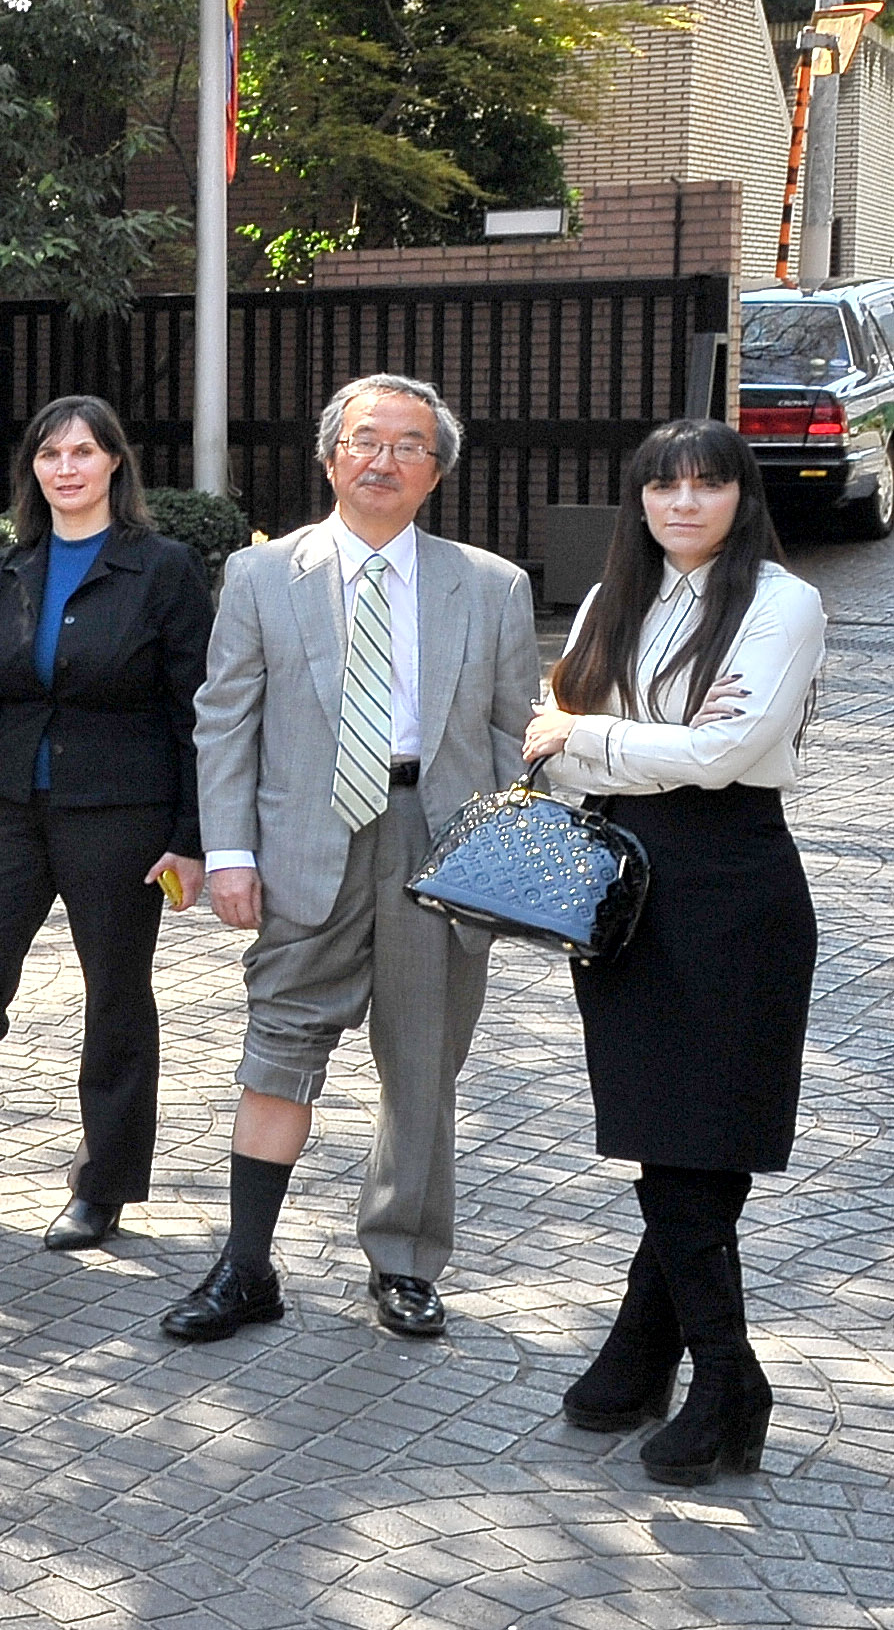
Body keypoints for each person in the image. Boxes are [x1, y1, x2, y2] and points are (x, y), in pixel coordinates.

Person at [164, 374, 538, 1345]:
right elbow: (223, 724)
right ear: (329, 456)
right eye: (363, 440)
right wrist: (230, 853)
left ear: (435, 471)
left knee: (421, 1067)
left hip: (437, 842)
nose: (382, 459)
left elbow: (511, 738)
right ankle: (244, 1265)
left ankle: (404, 1265)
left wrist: (500, 861)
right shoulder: (258, 577)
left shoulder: (489, 585)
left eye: (406, 445)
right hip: (300, 845)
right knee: (275, 1050)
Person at [526, 419, 822, 1486]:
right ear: (638, 500)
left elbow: (724, 753)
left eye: (706, 485)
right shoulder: (613, 598)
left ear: (741, 498)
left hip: (733, 891)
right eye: (662, 487)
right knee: (666, 1136)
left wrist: (592, 737)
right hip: (620, 889)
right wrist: (611, 746)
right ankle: (637, 1362)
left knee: (693, 1146)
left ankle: (725, 1384)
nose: (682, 504)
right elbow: (547, 744)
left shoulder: (781, 603)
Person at [0, 395, 210, 1240]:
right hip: (5, 809)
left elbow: (197, 713)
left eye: (83, 451)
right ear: (32, 470)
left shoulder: (164, 568)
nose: (66, 467)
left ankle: (102, 1180)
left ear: (115, 461)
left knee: (115, 994)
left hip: (120, 814)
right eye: (49, 454)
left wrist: (191, 838)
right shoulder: (7, 571)